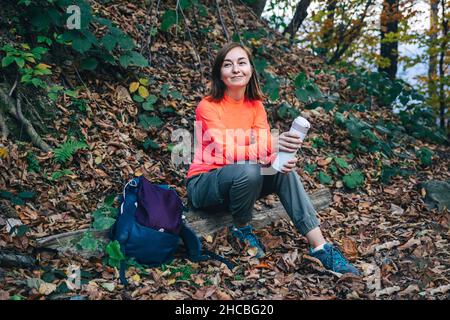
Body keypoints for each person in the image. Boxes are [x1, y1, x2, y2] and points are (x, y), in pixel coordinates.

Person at [185, 42, 359, 275]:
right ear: (220, 73)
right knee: (248, 169)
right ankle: (242, 229)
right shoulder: (208, 106)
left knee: (283, 172)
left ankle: (320, 246)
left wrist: (280, 158)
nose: (236, 69)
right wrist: (271, 146)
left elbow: (265, 151)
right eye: (228, 65)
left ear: (250, 70)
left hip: (239, 184)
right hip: (204, 185)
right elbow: (227, 152)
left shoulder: (256, 106)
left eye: (241, 63)